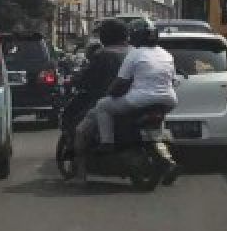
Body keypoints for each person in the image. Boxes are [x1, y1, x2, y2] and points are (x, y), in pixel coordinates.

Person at [92, 20, 178, 150]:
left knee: (102, 106)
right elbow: (173, 81)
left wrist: (109, 93)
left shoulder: (134, 53)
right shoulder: (166, 54)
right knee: (158, 114)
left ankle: (107, 143)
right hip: (169, 101)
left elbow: (120, 81)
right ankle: (160, 139)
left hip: (139, 100)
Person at [71, 19, 130, 165]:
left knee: (80, 130)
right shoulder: (135, 52)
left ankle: (80, 174)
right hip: (136, 101)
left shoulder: (103, 55)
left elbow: (86, 77)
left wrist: (75, 81)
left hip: (110, 100)